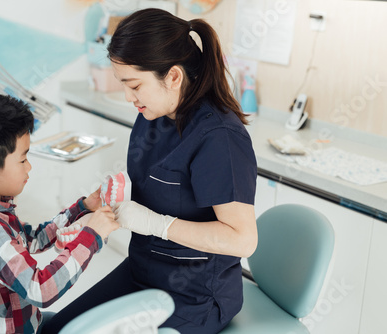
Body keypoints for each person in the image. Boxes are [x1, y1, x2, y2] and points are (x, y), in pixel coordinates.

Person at [42, 8, 258, 333]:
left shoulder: (219, 139)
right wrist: (109, 205)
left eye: (134, 85)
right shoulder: (154, 114)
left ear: (172, 76)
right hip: (143, 270)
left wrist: (155, 224)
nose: (128, 97)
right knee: (56, 330)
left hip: (195, 295)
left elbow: (243, 241)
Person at [0, 92, 119, 334]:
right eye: (23, 160)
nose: (29, 167)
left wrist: (83, 207)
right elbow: (40, 290)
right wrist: (92, 236)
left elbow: (32, 239)